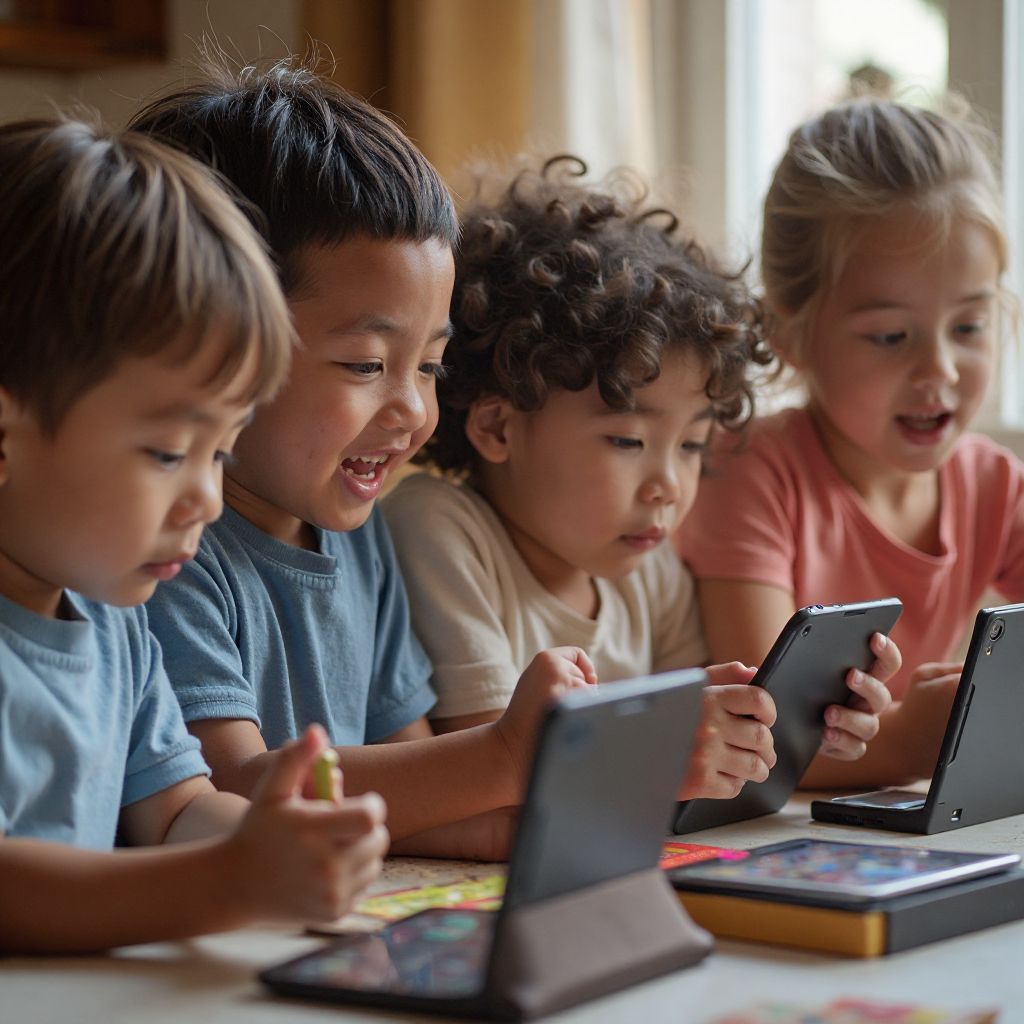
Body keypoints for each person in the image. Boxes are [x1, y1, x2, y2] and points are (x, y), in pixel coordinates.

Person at [132, 58, 593, 860]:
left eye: (429, 366)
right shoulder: (168, 548)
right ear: (217, 345)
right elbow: (231, 795)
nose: (414, 411)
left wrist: (531, 822)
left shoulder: (355, 534)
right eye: (365, 365)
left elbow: (412, 772)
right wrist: (500, 756)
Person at [382, 156, 899, 799]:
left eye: (692, 445)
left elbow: (703, 731)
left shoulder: (646, 567)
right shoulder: (438, 527)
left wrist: (800, 731)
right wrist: (670, 749)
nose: (669, 485)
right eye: (628, 440)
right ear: (497, 428)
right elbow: (501, 761)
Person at [0, 116, 389, 952]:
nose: (206, 500)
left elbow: (174, 808)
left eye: (222, 450)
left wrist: (273, 842)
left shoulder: (115, 620)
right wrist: (226, 883)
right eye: (171, 452)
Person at [683, 97, 1024, 787]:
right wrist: (917, 741)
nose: (941, 371)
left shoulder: (996, 485)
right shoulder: (749, 472)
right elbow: (763, 739)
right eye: (890, 336)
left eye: (969, 327)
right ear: (789, 334)